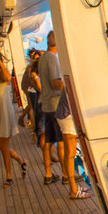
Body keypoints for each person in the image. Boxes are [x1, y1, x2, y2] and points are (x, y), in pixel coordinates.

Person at [38, 31, 88, 198]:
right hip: (57, 106)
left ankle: (48, 173)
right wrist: (70, 87)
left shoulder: (43, 58)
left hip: (48, 105)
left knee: (49, 141)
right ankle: (68, 179)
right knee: (64, 147)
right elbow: (55, 82)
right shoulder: (52, 59)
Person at [0, 46, 26, 187]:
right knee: (2, 145)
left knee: (3, 145)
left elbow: (8, 77)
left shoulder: (3, 76)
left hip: (6, 115)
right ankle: (21, 161)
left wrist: (0, 62)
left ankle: (9, 177)